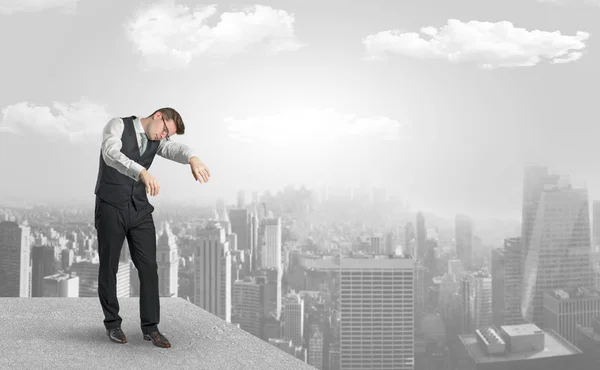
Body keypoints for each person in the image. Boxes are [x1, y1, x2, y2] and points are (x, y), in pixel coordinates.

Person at [93, 107, 210, 348]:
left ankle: (150, 328)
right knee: (109, 267)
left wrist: (193, 158)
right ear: (158, 116)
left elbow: (176, 149)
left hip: (139, 209)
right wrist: (141, 171)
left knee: (149, 268)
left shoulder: (157, 140)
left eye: (168, 135)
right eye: (165, 130)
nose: (164, 136)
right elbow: (110, 153)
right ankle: (112, 324)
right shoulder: (117, 125)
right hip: (111, 205)